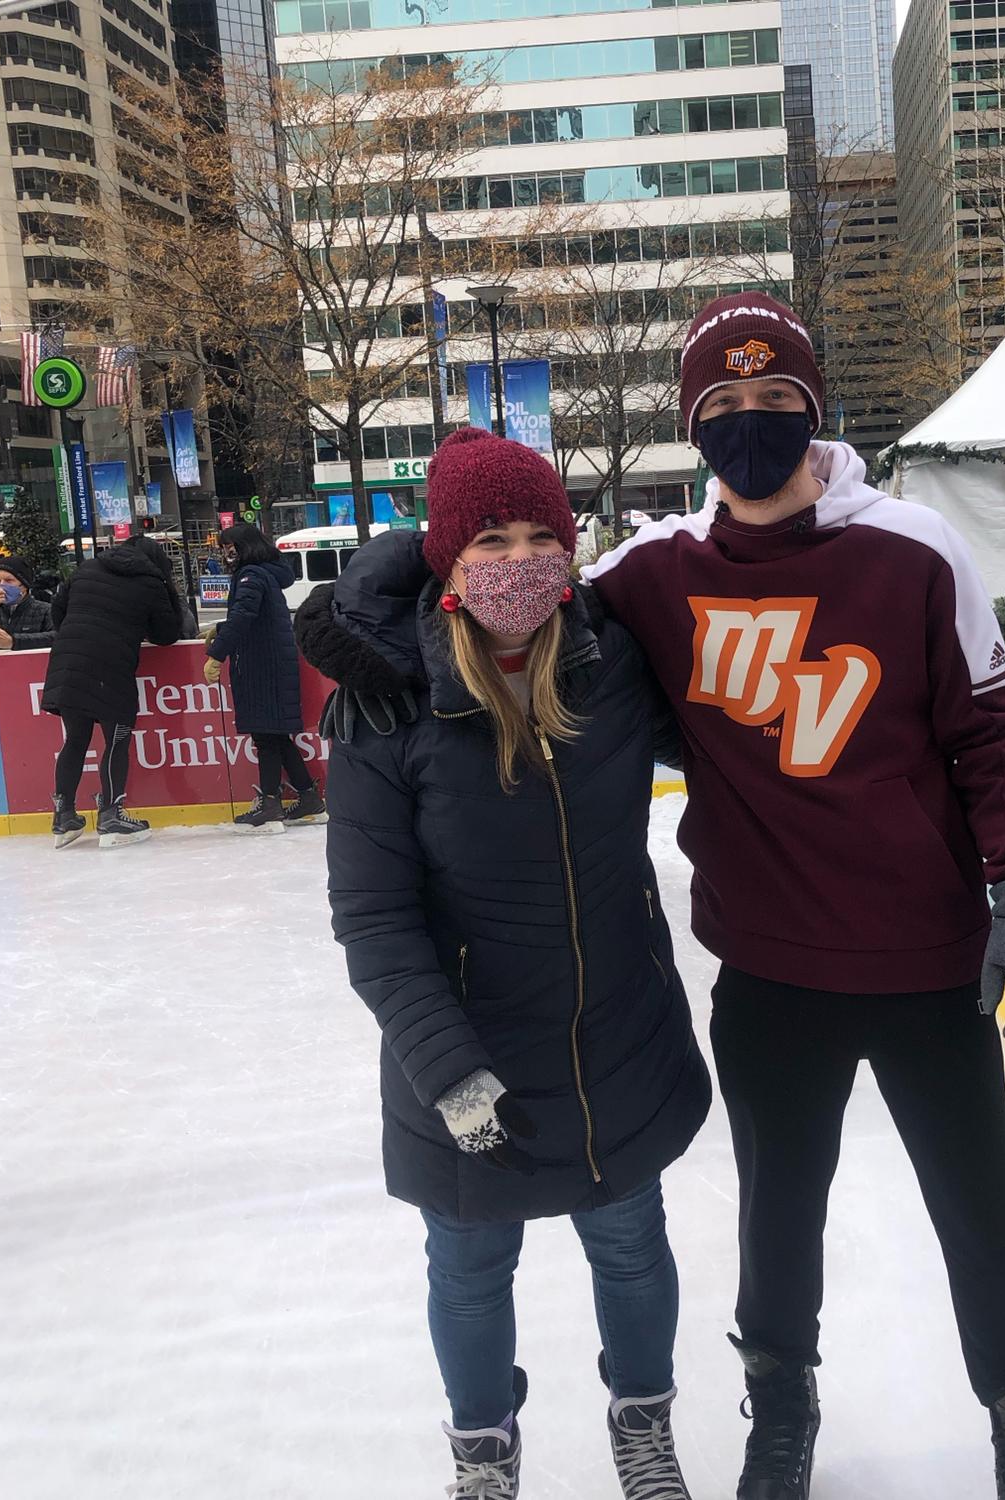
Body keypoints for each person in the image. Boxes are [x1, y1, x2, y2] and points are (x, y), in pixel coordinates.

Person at [583, 292, 1005, 1500]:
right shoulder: (654, 574)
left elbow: (990, 735)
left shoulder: (912, 549)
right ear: (695, 427)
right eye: (725, 408)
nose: (752, 426)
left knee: (983, 1211)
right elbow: (515, 587)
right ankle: (781, 1419)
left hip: (928, 957)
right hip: (770, 969)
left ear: (816, 415)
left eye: (777, 404)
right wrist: (384, 595)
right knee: (778, 1215)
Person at [294, 427, 711, 1500]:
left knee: (630, 1247)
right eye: (489, 539)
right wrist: (451, 1072)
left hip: (618, 1035)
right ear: (445, 559)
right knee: (472, 1269)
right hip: (467, 1051)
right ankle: (483, 1447)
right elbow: (374, 918)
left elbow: (746, 741)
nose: (519, 561)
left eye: (541, 535)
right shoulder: (384, 708)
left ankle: (644, 1423)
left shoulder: (612, 663)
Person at [41, 536, 184, 849]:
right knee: (116, 740)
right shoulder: (150, 582)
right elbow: (167, 634)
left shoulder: (86, 568)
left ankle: (63, 815)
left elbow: (58, 609)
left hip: (68, 662)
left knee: (75, 739)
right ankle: (111, 813)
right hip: (111, 668)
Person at [202, 523, 324, 831]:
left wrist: (217, 653)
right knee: (275, 736)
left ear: (245, 547)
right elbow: (256, 617)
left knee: (267, 737)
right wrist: (221, 628)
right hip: (271, 664)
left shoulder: (251, 576)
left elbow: (244, 616)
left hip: (262, 668)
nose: (225, 553)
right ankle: (309, 798)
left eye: (229, 547)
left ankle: (270, 804)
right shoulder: (265, 574)